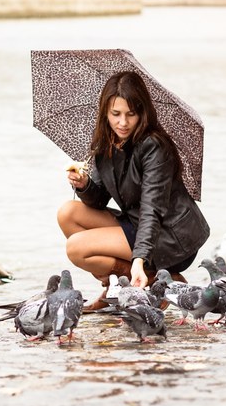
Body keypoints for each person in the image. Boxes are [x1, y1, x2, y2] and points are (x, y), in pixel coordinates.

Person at [57, 71, 210, 311]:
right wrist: (84, 184)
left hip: (170, 235)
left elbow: (152, 208)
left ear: (142, 112)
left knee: (76, 248)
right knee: (67, 213)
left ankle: (155, 279)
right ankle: (115, 288)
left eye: (131, 114)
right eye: (115, 114)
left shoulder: (155, 147)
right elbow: (97, 200)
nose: (123, 123)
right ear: (105, 113)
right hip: (135, 222)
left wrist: (139, 260)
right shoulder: (107, 142)